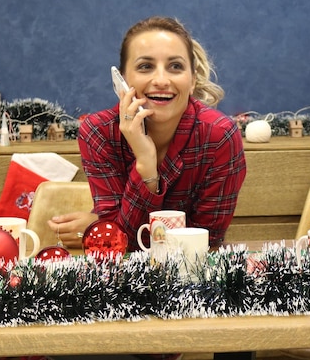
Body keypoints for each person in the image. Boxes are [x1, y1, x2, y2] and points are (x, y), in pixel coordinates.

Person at [48, 16, 246, 252]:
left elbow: (206, 242)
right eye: (145, 66)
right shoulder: (98, 133)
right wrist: (145, 164)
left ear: (192, 81)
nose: (161, 80)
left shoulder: (219, 136)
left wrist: (100, 224)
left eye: (175, 66)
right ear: (121, 81)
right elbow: (121, 247)